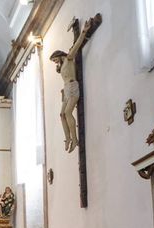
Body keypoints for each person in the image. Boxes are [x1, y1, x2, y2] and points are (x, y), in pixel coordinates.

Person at [49, 19, 93, 153]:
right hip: (67, 89)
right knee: (62, 114)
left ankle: (75, 139)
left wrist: (84, 31)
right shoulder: (62, 67)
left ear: (59, 55)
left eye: (55, 60)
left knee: (68, 112)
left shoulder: (68, 58)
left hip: (73, 87)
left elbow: (77, 45)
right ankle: (67, 138)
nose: (55, 62)